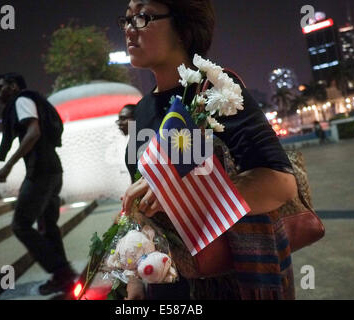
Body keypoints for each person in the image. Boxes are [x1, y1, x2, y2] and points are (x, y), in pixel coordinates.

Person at [119, 0, 298, 300]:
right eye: (126, 20)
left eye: (142, 17)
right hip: (164, 284)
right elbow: (141, 203)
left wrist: (176, 193)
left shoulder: (216, 94)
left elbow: (280, 182)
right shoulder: (142, 109)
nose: (128, 29)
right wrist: (134, 279)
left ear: (183, 29)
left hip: (223, 284)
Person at [0, 73, 76, 295]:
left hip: (41, 171)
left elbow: (33, 132)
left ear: (13, 86)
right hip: (51, 169)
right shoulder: (29, 100)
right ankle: (64, 278)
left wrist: (8, 166)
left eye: (1, 87)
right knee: (48, 225)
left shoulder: (21, 100)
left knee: (20, 225)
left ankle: (62, 272)